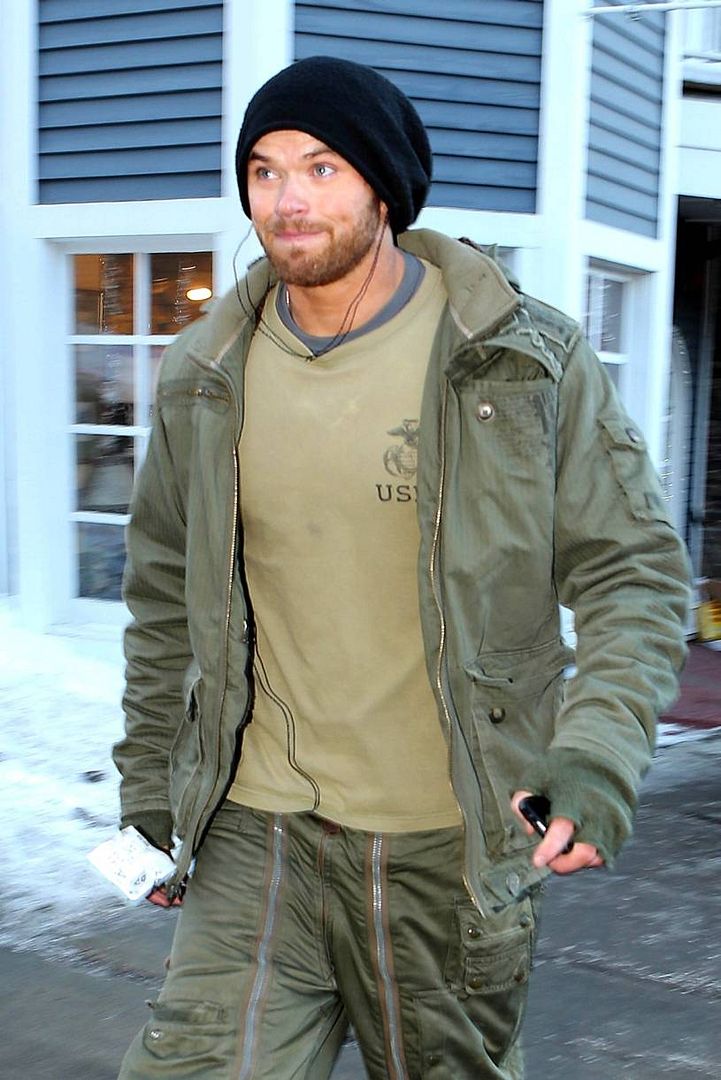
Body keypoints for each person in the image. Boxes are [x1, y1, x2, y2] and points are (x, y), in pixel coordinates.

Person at [114, 55, 690, 1080]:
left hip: (446, 842)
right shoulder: (204, 373)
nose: (286, 200)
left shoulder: (520, 360)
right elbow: (164, 597)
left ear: (383, 186)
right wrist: (153, 793)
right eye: (263, 169)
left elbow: (631, 572)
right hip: (257, 832)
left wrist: (595, 758)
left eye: (321, 167)